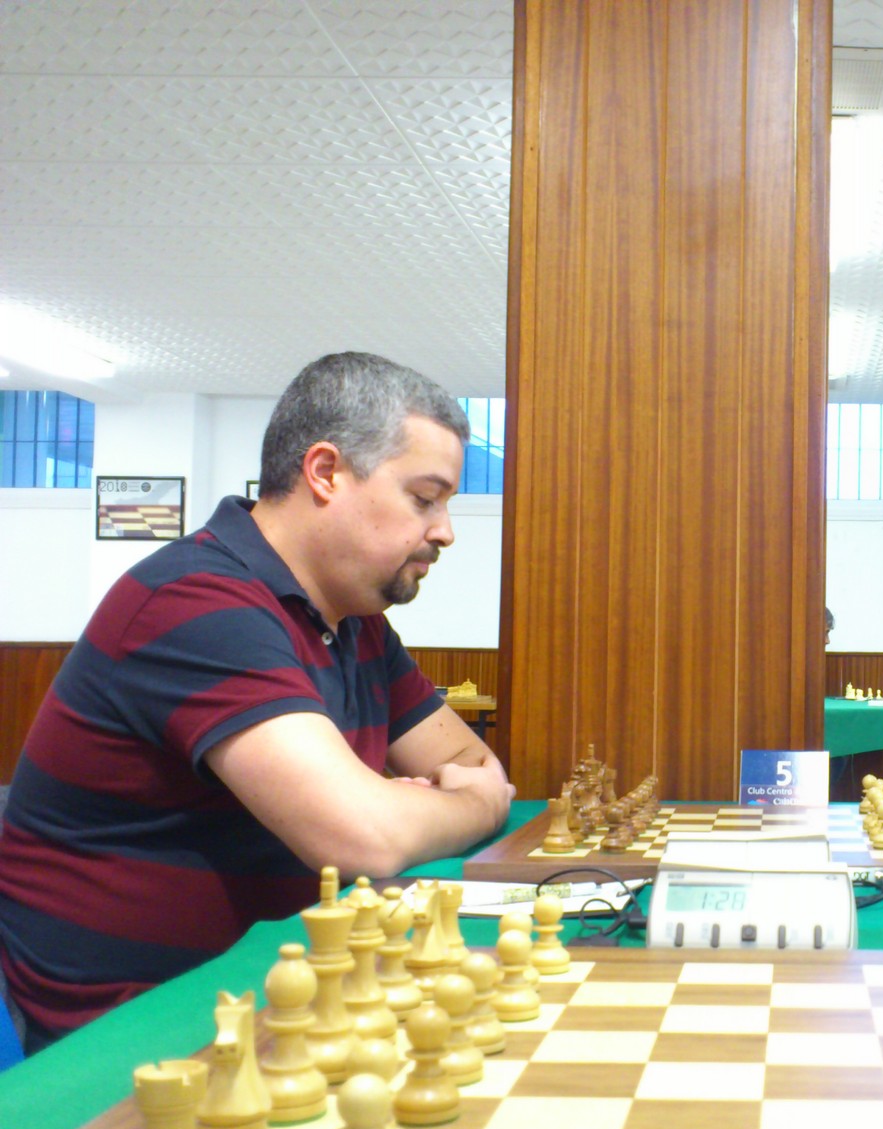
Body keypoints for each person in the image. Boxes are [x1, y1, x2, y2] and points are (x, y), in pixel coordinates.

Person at [0, 351, 515, 1054]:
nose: (445, 530)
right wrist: (468, 806)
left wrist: (415, 803)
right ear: (325, 472)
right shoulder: (196, 601)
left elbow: (470, 763)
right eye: (425, 498)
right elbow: (364, 835)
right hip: (132, 1034)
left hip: (268, 991)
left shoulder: (355, 622)